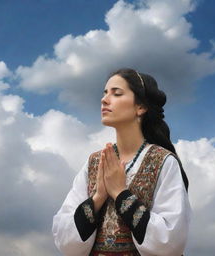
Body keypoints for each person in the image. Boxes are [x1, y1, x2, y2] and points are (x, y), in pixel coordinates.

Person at [52, 68, 191, 256]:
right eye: (105, 93)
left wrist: (120, 193)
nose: (104, 99)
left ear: (140, 107)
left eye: (116, 93)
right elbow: (65, 240)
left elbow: (169, 242)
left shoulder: (163, 162)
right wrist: (98, 197)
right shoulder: (94, 163)